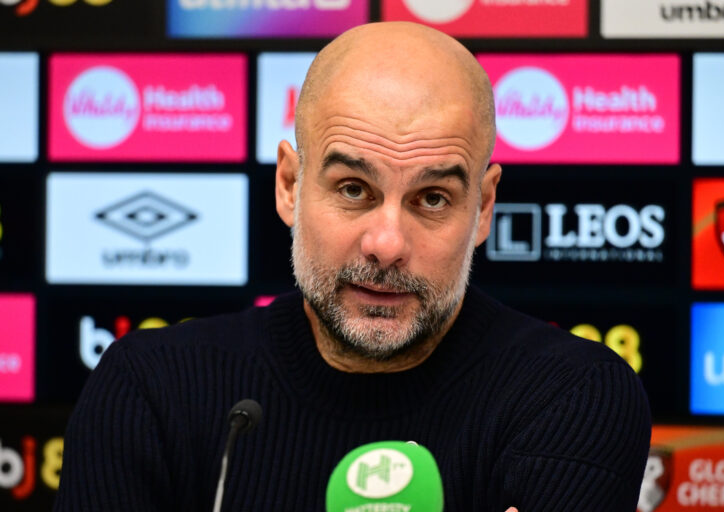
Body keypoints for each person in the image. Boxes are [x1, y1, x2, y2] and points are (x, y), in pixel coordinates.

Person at [54, 22, 650, 512]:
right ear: (290, 185)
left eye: (433, 199)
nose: (387, 243)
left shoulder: (574, 399)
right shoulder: (152, 389)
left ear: (484, 208)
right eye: (353, 189)